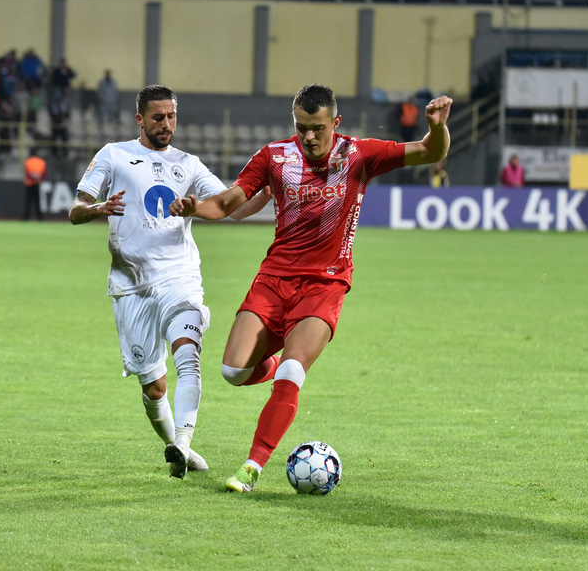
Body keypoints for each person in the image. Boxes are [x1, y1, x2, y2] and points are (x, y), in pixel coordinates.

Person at [169, 84, 452, 492]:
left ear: (336, 122)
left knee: (292, 370)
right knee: (233, 371)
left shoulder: (359, 154)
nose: (309, 136)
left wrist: (437, 128)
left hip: (325, 283)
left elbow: (429, 151)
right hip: (274, 279)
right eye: (302, 127)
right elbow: (228, 202)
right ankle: (273, 366)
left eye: (318, 128)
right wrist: (195, 207)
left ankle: (251, 467)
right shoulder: (273, 156)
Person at [68, 84, 235, 479]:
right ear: (140, 119)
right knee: (154, 387)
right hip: (131, 286)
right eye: (158, 117)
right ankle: (177, 448)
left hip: (180, 277)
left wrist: (197, 205)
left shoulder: (188, 164)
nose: (166, 124)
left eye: (171, 116)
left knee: (188, 353)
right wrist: (99, 208)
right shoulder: (114, 155)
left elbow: (227, 201)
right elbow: (75, 210)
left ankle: (184, 441)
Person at [23, 153, 47, 221]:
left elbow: (27, 173)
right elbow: (44, 173)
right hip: (37, 183)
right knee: (37, 202)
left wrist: (33, 178)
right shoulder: (41, 161)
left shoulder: (28, 161)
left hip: (29, 184)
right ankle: (39, 217)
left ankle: (26, 217)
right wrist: (39, 179)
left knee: (28, 201)